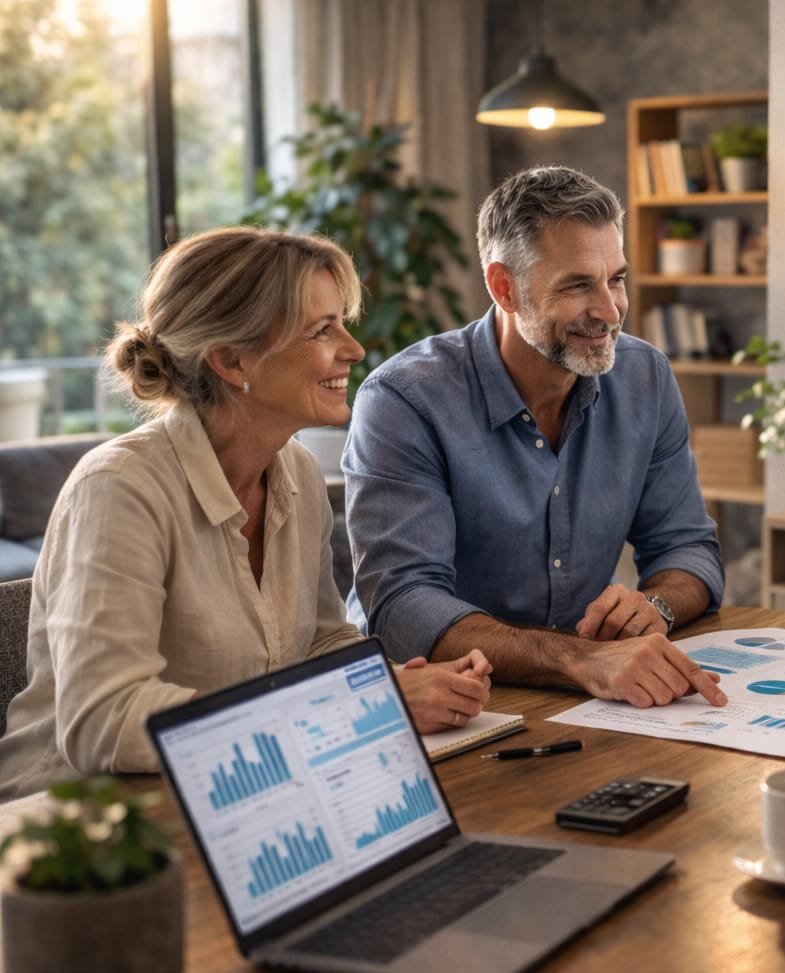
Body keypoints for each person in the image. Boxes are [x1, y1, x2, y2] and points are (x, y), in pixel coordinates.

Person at [0, 227, 492, 801]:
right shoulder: (119, 488)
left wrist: (389, 682)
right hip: (85, 829)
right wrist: (346, 707)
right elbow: (106, 720)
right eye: (321, 330)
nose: (354, 350)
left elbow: (321, 644)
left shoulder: (298, 473)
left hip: (240, 794)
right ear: (232, 360)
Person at [344, 166, 726, 710]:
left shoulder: (645, 376)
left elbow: (689, 547)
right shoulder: (405, 399)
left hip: (582, 694)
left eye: (616, 279)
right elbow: (404, 604)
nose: (609, 311)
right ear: (505, 287)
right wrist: (580, 659)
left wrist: (655, 607)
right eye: (577, 286)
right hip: (438, 704)